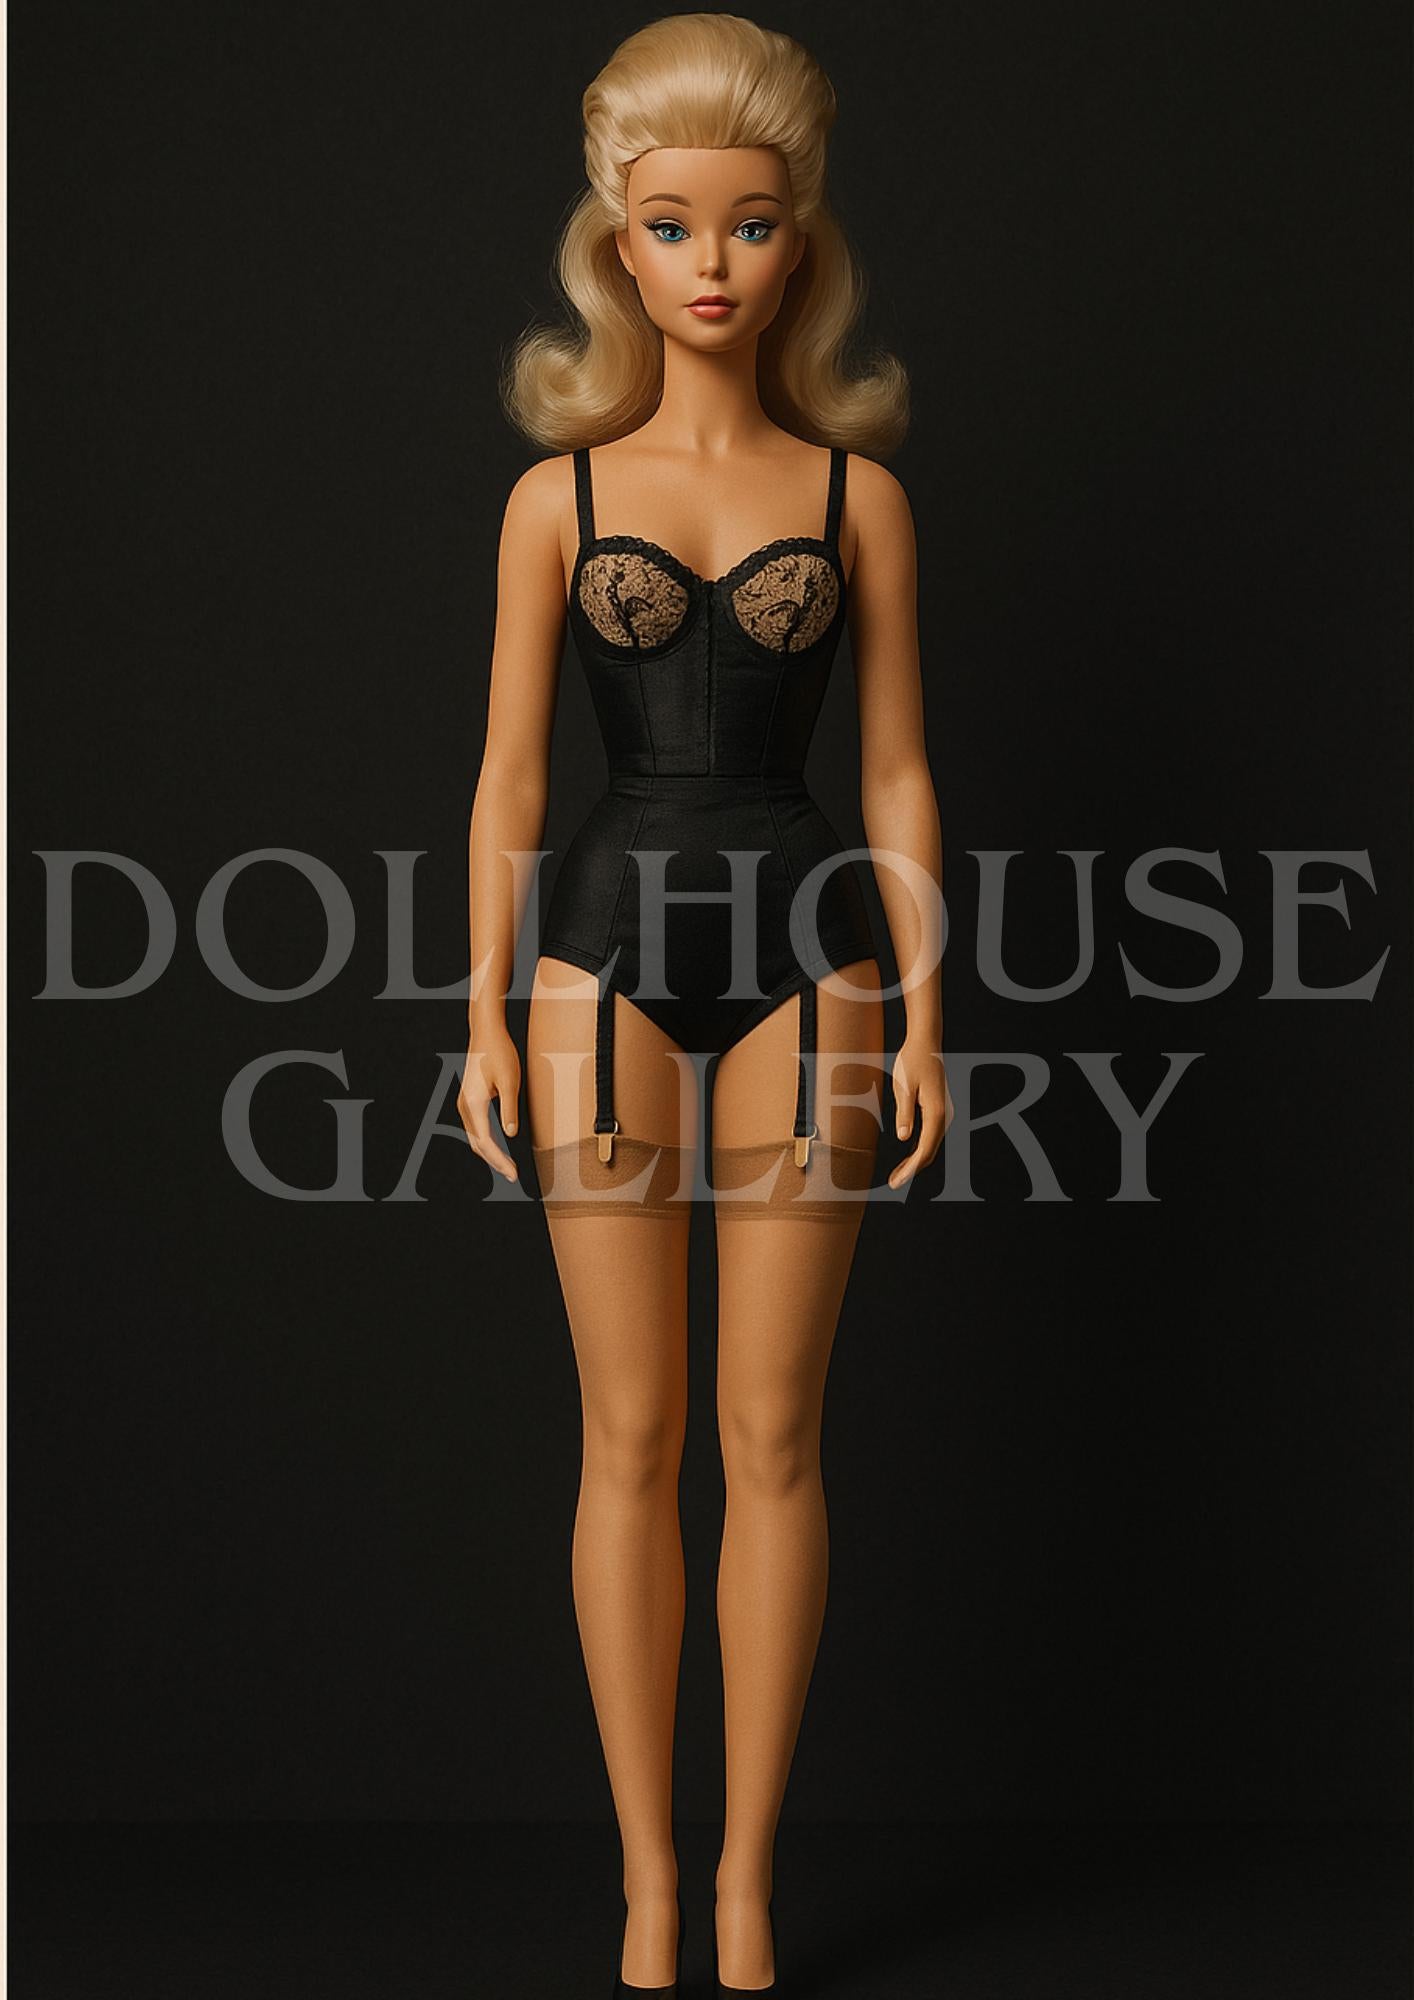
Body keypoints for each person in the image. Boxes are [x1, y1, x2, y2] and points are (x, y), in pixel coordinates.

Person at [458, 14, 951, 1992]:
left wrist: (931, 1016)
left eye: (748, 222)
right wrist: (480, 1014)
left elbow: (896, 770)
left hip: (814, 970)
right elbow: (507, 777)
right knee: (630, 1433)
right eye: (672, 224)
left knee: (772, 1433)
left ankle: (743, 1879)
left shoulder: (860, 498)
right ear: (617, 240)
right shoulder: (553, 502)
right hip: (595, 967)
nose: (714, 263)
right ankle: (647, 1885)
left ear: (797, 234)